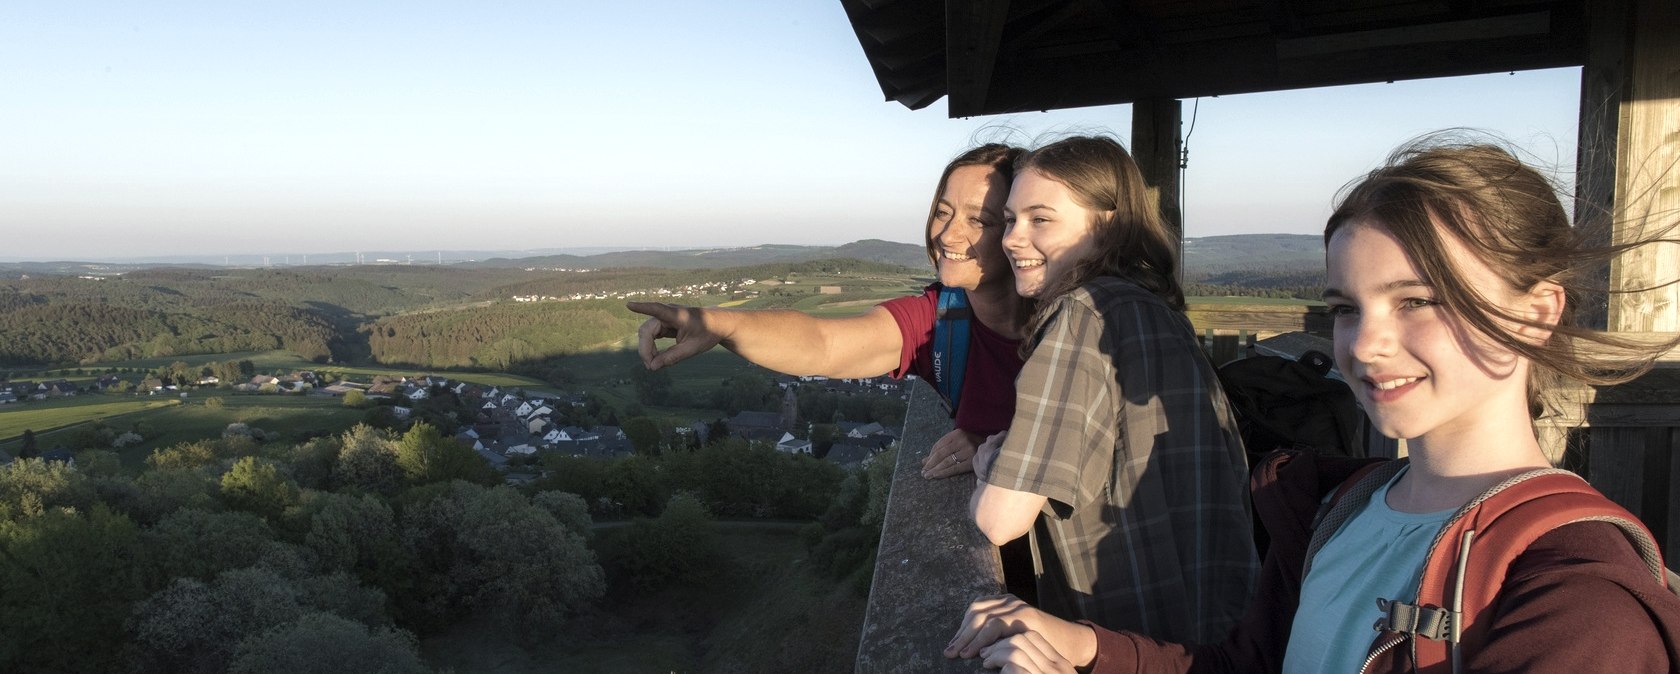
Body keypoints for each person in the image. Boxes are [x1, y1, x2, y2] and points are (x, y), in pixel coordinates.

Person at [944, 139, 1680, 673]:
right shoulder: (1341, 511)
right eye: (1346, 308)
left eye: (1416, 300)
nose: (1367, 345)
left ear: (1537, 313)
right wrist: (1083, 646)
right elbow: (1245, 668)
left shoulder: (1579, 600)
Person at [966, 135, 1257, 645]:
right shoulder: (1149, 308)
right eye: (1011, 219)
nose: (1011, 239)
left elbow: (999, 520)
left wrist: (989, 464)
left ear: (1107, 224)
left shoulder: (1080, 317)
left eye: (1041, 219)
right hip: (1216, 629)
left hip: (1127, 629)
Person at [628, 143, 1030, 479]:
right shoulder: (940, 321)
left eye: (979, 220)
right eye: (944, 212)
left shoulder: (1073, 322)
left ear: (1019, 231)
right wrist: (718, 324)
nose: (947, 234)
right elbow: (823, 343)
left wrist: (1002, 444)